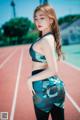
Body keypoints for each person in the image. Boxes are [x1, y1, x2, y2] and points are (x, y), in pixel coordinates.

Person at [27, 4, 65, 120]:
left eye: (42, 18)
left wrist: (30, 79)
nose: (38, 21)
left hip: (43, 89)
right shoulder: (49, 37)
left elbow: (53, 69)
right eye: (36, 18)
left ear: (51, 20)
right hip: (55, 87)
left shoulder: (46, 40)